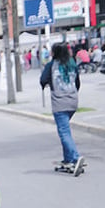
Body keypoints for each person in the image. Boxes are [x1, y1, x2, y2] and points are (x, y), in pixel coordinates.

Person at [40, 42, 84, 175]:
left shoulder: (51, 65)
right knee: (65, 130)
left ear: (55, 53)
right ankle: (68, 160)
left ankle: (75, 158)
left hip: (59, 103)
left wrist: (46, 84)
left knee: (64, 132)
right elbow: (77, 83)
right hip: (73, 101)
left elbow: (42, 80)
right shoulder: (72, 63)